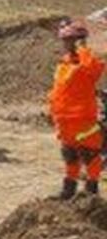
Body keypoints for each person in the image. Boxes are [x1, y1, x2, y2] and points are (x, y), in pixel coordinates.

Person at [49, 18, 103, 199]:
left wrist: (82, 48)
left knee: (91, 156)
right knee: (70, 155)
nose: (65, 44)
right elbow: (58, 92)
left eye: (69, 40)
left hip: (83, 120)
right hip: (64, 122)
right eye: (64, 40)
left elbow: (92, 69)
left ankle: (91, 193)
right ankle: (68, 190)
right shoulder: (64, 64)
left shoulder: (87, 63)